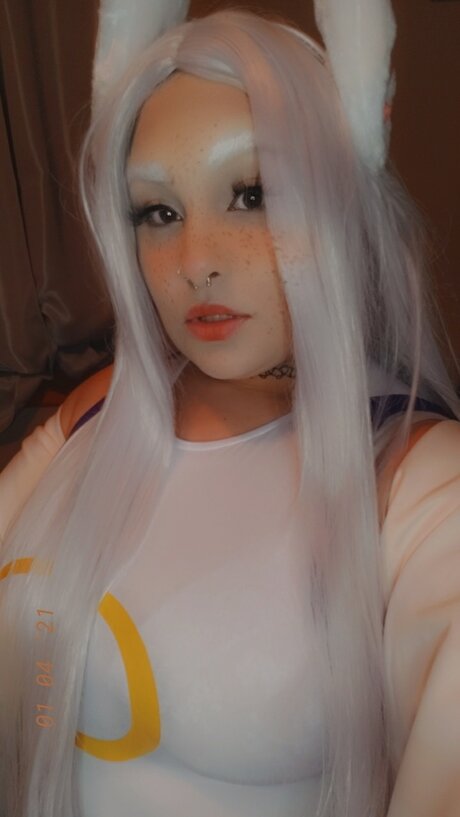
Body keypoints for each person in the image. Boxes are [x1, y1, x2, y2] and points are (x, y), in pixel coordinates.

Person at [0, 7, 459, 817]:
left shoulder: (418, 484)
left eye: (252, 194)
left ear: (339, 204)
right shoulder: (99, 412)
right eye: (158, 212)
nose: (197, 260)